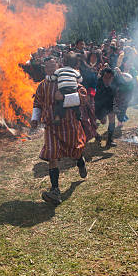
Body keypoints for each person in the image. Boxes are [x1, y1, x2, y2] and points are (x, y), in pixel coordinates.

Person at [31, 57, 88, 206]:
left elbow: (83, 96)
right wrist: (35, 118)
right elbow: (37, 102)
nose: (50, 68)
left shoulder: (66, 79)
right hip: (51, 126)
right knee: (52, 155)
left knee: (75, 151)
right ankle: (55, 191)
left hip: (69, 125)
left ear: (58, 66)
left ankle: (80, 161)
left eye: (52, 65)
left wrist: (64, 97)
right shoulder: (42, 86)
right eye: (47, 66)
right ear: (44, 68)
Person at [51, 53, 82, 125]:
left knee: (59, 104)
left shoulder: (59, 70)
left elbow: (52, 78)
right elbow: (80, 80)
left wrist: (47, 77)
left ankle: (57, 117)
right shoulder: (75, 71)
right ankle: (78, 115)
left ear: (64, 62)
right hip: (73, 89)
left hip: (63, 89)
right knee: (76, 104)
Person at [95, 67, 117, 147]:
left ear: (112, 77)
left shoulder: (114, 85)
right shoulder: (97, 84)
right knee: (96, 122)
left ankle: (109, 140)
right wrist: (102, 115)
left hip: (108, 104)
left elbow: (112, 99)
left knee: (112, 116)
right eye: (105, 77)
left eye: (110, 78)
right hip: (97, 106)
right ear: (102, 77)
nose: (107, 80)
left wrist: (110, 111)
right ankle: (96, 135)